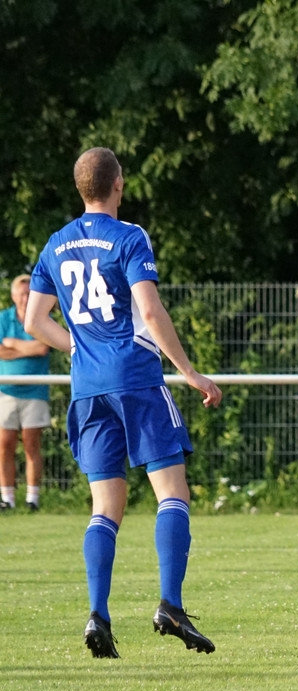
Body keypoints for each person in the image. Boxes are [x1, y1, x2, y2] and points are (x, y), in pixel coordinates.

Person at [24, 147, 222, 659]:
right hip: (135, 377)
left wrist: (78, 348)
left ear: (80, 187)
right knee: (171, 493)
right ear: (119, 184)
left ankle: (97, 613)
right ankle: (170, 606)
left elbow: (33, 322)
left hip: (87, 386)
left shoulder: (56, 243)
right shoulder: (129, 236)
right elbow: (151, 312)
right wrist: (191, 372)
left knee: (105, 507)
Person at [0, 274, 51, 511]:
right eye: (21, 293)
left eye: (29, 292)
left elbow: (42, 347)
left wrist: (12, 344)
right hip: (6, 390)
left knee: (32, 444)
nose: (25, 297)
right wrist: (24, 348)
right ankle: (7, 498)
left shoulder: (41, 318)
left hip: (35, 391)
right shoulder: (4, 318)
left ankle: (33, 498)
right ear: (13, 295)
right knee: (4, 445)